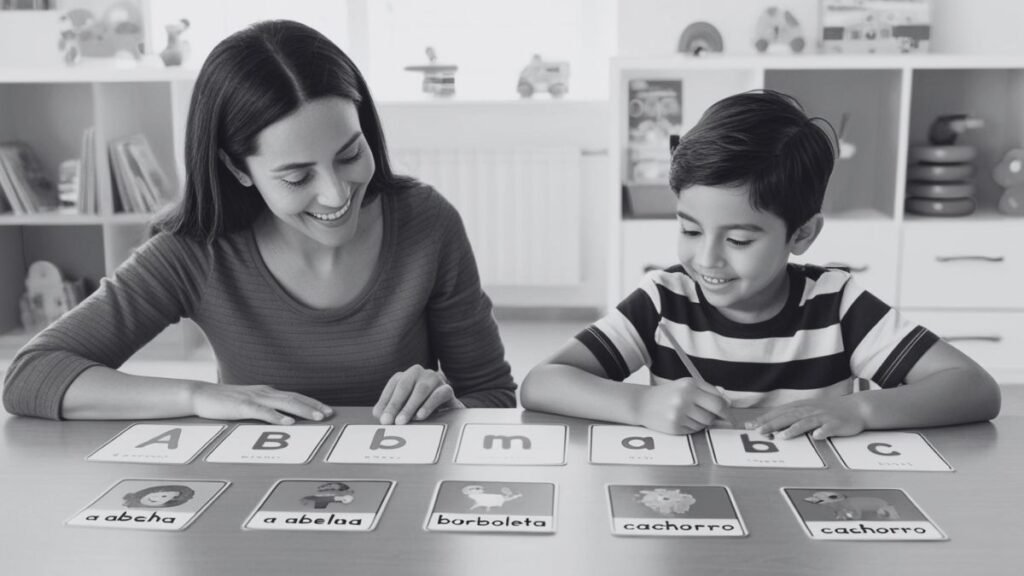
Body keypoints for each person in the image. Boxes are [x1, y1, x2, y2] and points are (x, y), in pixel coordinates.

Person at [3, 20, 515, 424]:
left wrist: (451, 409)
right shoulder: (197, 251)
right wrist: (199, 396)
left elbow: (493, 392)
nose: (336, 193)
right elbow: (31, 375)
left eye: (350, 153)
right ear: (236, 168)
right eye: (296, 177)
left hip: (401, 503)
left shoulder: (428, 223)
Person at [521, 90, 1000, 439]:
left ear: (803, 234)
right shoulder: (666, 299)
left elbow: (974, 388)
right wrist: (640, 402)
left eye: (738, 239)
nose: (706, 259)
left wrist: (862, 410)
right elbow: (542, 383)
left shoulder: (837, 305)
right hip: (693, 512)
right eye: (689, 230)